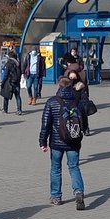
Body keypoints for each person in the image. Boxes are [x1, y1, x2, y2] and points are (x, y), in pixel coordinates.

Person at [40, 78, 86, 209]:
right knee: (74, 167)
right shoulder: (77, 102)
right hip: (73, 141)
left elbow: (45, 124)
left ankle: (56, 196)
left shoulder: (52, 102)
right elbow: (84, 123)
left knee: (56, 168)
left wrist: (42, 141)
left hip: (56, 142)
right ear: (71, 87)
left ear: (59, 87)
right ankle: (78, 191)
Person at [67, 69, 94, 136]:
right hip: (69, 104)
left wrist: (84, 105)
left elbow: (84, 97)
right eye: (70, 77)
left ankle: (86, 129)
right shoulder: (66, 86)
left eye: (74, 77)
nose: (72, 79)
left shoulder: (80, 86)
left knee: (83, 114)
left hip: (79, 103)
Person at [1, 49, 23, 114]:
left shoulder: (8, 64)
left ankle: (5, 109)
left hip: (10, 82)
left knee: (6, 96)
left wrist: (3, 83)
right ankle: (19, 110)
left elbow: (6, 75)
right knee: (18, 96)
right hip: (17, 81)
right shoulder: (18, 63)